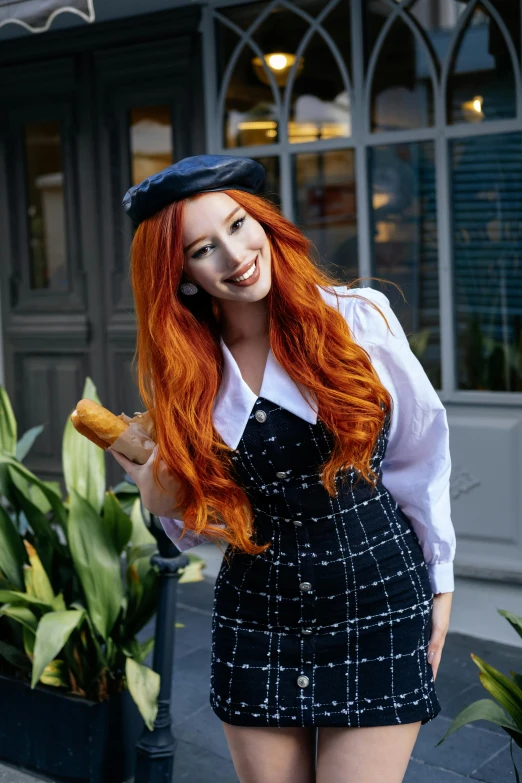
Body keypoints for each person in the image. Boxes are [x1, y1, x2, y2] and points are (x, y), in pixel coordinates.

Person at [108, 154, 456, 783]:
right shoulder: (188, 380)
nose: (235, 255)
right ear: (178, 273)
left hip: (376, 601)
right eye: (202, 249)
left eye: (240, 225)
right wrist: (155, 493)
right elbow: (200, 525)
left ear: (265, 222)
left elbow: (419, 459)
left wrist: (443, 581)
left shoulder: (357, 318)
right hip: (257, 614)